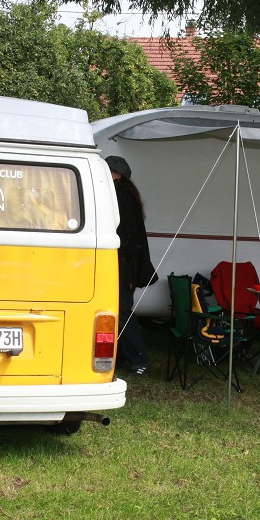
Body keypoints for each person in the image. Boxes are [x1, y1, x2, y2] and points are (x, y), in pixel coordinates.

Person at [106, 155, 150, 376]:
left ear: (116, 174)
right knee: (118, 310)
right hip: (125, 262)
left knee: (122, 311)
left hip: (126, 264)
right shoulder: (125, 193)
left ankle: (139, 359)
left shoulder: (120, 194)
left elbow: (122, 233)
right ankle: (123, 357)